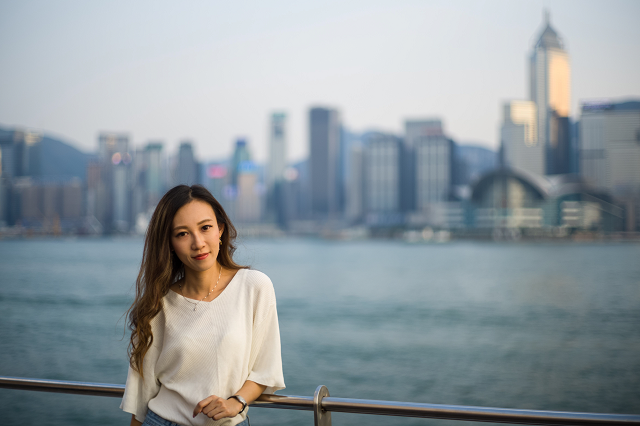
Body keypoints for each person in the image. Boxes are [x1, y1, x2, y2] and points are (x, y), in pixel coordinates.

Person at [121, 185, 285, 426]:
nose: (198, 243)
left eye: (205, 227)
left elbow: (265, 370)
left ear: (220, 229)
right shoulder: (160, 302)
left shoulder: (255, 286)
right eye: (182, 234)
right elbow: (142, 395)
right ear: (170, 244)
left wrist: (236, 401)